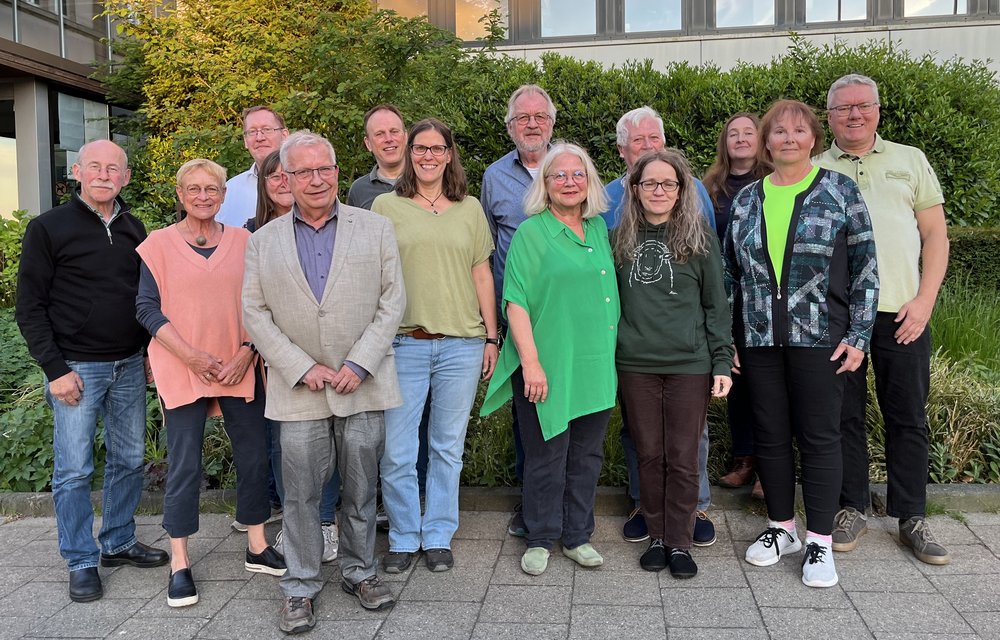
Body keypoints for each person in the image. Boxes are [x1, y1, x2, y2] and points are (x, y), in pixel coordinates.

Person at [243, 131, 404, 634]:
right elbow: (254, 312)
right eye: (303, 172)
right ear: (284, 180)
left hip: (363, 382)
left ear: (337, 171)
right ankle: (300, 584)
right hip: (299, 388)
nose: (316, 179)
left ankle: (359, 572)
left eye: (325, 169)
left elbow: (392, 301)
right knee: (300, 494)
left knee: (360, 488)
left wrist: (358, 363)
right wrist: (299, 366)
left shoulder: (375, 227)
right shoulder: (261, 240)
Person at [724, 99, 879, 589]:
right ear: (767, 142)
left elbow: (867, 268)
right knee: (768, 434)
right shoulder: (749, 199)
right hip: (759, 338)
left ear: (813, 138)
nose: (788, 138)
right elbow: (730, 274)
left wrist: (859, 335)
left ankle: (819, 540)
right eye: (778, 132)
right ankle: (780, 528)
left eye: (798, 130)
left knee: (819, 437)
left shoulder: (838, 191)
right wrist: (727, 336)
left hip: (821, 339)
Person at [15, 139, 168, 603]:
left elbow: (145, 298)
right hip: (76, 368)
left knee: (129, 461)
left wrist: (147, 353)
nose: (104, 174)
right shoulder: (48, 228)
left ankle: (118, 541)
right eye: (95, 167)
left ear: (125, 177)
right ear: (77, 172)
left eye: (114, 168)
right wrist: (55, 368)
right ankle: (81, 559)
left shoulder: (133, 228)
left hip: (127, 365)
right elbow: (29, 307)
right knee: (75, 469)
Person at [135, 158, 285, 608]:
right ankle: (180, 562)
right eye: (194, 189)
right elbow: (146, 308)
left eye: (212, 189)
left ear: (224, 195)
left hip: (238, 364)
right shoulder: (157, 245)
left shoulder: (244, 241)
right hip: (183, 366)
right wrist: (190, 356)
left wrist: (246, 351)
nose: (203, 196)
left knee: (255, 455)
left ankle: (257, 544)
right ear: (180, 194)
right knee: (184, 466)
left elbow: (262, 303)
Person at [815, 74, 951, 565]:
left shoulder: (909, 160)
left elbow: (935, 235)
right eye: (843, 108)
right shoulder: (813, 168)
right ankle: (850, 508)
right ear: (828, 116)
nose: (854, 115)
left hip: (902, 311)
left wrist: (926, 299)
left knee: (908, 416)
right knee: (842, 415)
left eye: (863, 106)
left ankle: (911, 515)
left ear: (877, 110)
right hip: (837, 315)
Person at [481, 142, 618, 577]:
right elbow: (515, 300)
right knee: (545, 454)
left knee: (586, 456)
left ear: (590, 182)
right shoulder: (531, 233)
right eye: (559, 175)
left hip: (595, 362)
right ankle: (541, 536)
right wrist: (532, 362)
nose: (569, 182)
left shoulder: (598, 229)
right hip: (547, 363)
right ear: (545, 184)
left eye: (578, 175)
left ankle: (577, 535)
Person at [372, 118, 498, 574]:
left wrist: (491, 335)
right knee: (399, 450)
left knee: (447, 446)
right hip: (404, 344)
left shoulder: (470, 208)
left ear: (449, 154)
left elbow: (481, 273)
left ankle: (439, 533)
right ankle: (405, 537)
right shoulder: (386, 206)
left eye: (437, 148)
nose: (428, 156)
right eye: (420, 148)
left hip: (461, 345)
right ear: (409, 153)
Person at [613, 149, 734, 578]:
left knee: (682, 455)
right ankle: (659, 536)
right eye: (650, 183)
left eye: (668, 183)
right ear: (635, 189)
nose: (659, 190)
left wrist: (721, 360)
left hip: (689, 365)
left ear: (682, 190)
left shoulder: (698, 239)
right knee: (648, 453)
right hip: (635, 363)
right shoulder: (619, 239)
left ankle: (681, 543)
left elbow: (716, 307)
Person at [602, 106, 717, 547]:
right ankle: (642, 504)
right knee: (640, 429)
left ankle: (696, 506)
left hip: (685, 342)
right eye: (638, 142)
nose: (648, 148)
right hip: (632, 340)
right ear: (621, 151)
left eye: (655, 140)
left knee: (692, 431)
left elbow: (708, 268)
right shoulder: (607, 197)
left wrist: (714, 342)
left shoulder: (692, 192)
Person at [245, 150, 342, 565]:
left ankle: (325, 524)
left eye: (295, 175)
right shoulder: (256, 234)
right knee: (286, 449)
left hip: (339, 365)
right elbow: (253, 307)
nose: (288, 183)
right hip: (281, 363)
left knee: (335, 447)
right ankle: (294, 525)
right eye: (279, 177)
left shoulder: (349, 226)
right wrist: (292, 361)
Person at [480, 84, 556, 538]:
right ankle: (532, 504)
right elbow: (489, 253)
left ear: (552, 123)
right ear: (510, 127)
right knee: (526, 412)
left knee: (565, 406)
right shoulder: (494, 176)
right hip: (518, 314)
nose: (531, 124)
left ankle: (563, 499)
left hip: (565, 312)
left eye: (539, 116)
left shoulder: (570, 168)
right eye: (522, 117)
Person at [702, 112, 771, 500]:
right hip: (726, 296)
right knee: (736, 377)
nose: (742, 138)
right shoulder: (711, 187)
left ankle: (768, 462)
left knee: (767, 383)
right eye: (734, 133)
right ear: (724, 143)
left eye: (749, 132)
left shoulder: (775, 179)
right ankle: (744, 459)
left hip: (765, 297)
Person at [215, 106, 289, 226]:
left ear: (285, 135)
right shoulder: (229, 192)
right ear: (245, 140)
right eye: (252, 132)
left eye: (267, 129)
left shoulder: (305, 183)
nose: (259, 138)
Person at [346, 104, 407, 209]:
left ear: (406, 137)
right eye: (379, 134)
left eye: (394, 131)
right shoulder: (359, 190)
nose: (388, 139)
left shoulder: (427, 182)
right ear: (368, 143)